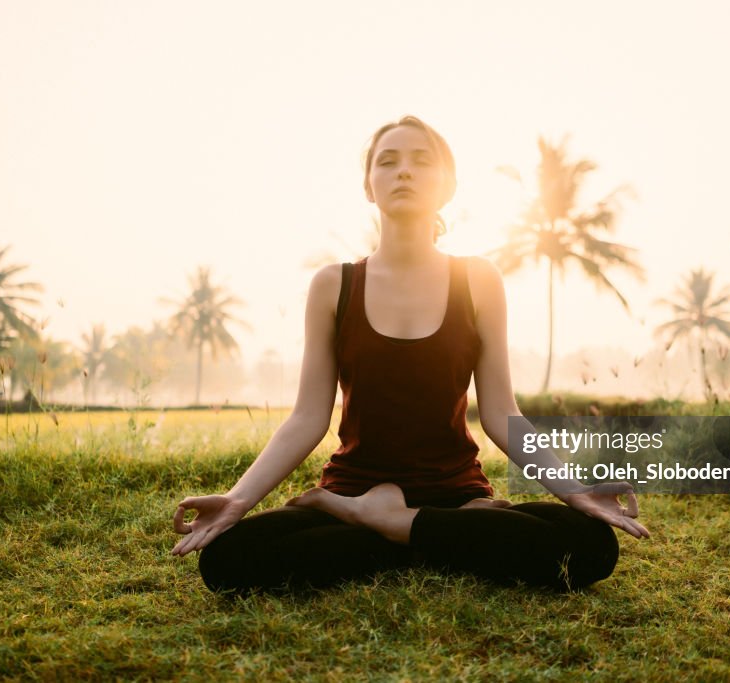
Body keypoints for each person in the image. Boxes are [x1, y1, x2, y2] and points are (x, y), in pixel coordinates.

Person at [171, 115, 649, 594]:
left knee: (591, 545)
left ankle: (378, 525)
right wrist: (237, 500)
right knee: (227, 560)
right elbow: (307, 417)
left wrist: (576, 492)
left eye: (422, 161)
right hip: (356, 486)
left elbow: (503, 416)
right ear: (368, 185)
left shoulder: (477, 281)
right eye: (388, 161)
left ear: (448, 186)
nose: (404, 172)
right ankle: (415, 530)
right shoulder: (333, 286)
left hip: (456, 494)